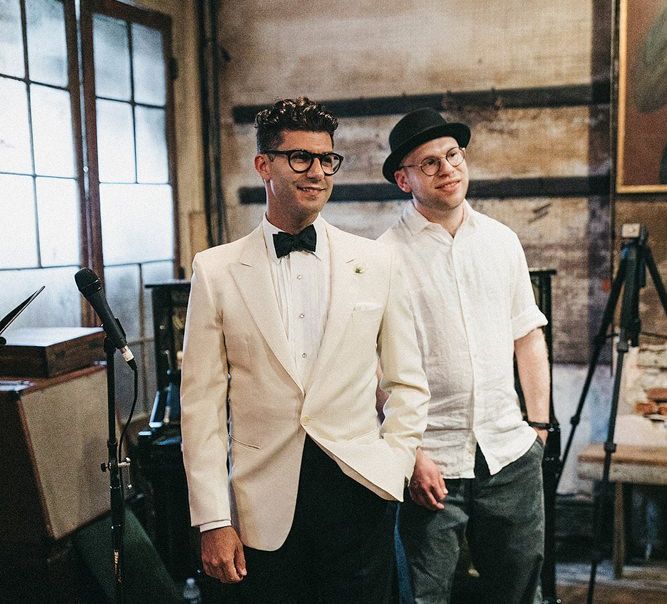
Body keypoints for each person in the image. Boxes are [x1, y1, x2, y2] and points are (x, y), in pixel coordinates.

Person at [180, 97, 429, 603]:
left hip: (360, 494)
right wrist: (212, 518)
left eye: (326, 159)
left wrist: (394, 465)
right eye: (300, 158)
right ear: (263, 165)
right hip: (259, 508)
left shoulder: (376, 261)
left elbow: (407, 381)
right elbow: (201, 410)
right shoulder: (216, 270)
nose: (316, 172)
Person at [379, 108, 550, 603]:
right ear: (402, 178)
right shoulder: (383, 256)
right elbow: (372, 369)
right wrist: (411, 454)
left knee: (518, 592)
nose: (447, 169)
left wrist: (537, 427)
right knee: (425, 596)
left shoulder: (501, 241)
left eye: (453, 155)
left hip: (510, 454)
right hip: (433, 465)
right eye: (428, 163)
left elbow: (528, 336)